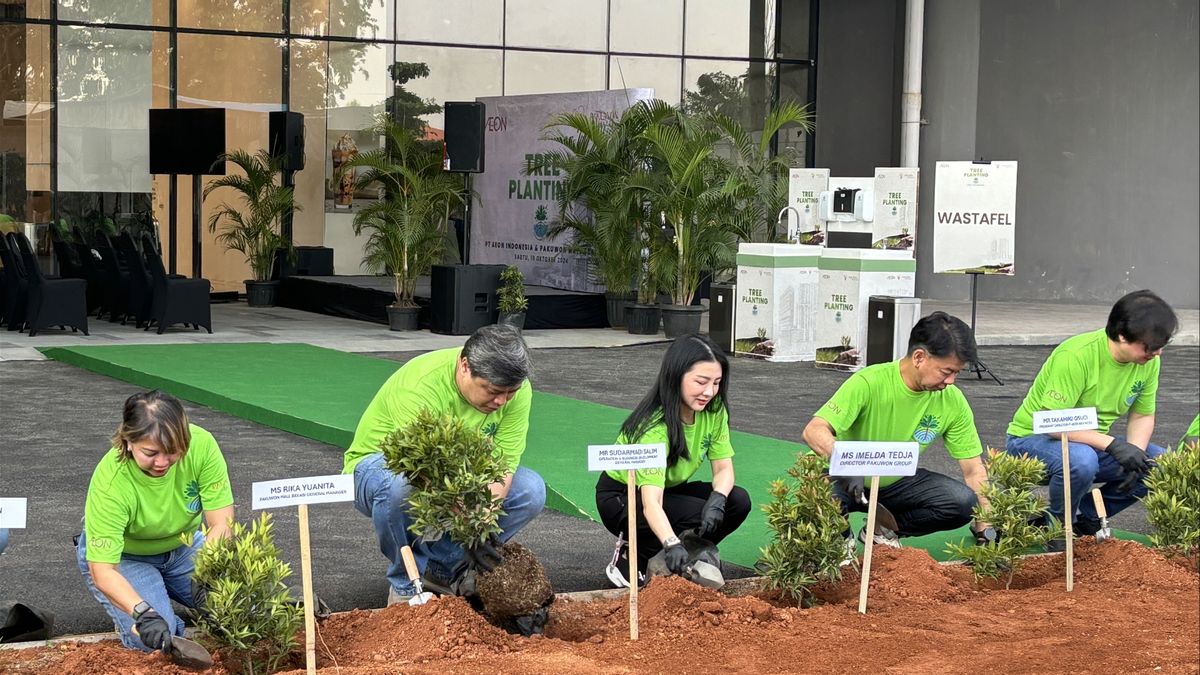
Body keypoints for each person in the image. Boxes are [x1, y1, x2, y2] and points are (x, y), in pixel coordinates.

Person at [345, 324, 545, 605]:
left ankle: (439, 572)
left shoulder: (517, 391)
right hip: (385, 469)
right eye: (492, 391)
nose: (501, 401)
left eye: (510, 393)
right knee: (400, 487)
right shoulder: (420, 387)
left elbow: (503, 467)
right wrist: (469, 527)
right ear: (464, 366)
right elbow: (426, 475)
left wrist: (483, 523)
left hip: (461, 473)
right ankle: (406, 586)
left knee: (530, 491)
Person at [802, 312, 992, 549]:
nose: (952, 381)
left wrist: (987, 527)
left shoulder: (952, 400)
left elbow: (974, 470)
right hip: (843, 478)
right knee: (818, 499)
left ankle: (881, 530)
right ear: (919, 357)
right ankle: (840, 541)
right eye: (946, 372)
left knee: (962, 502)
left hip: (895, 482)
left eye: (957, 373)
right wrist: (847, 463)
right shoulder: (869, 382)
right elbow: (814, 430)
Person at [1006, 290, 1178, 547]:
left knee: (1160, 464)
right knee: (1081, 460)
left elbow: (1142, 414)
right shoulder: (1076, 355)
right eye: (1150, 346)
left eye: (1161, 345)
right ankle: (1056, 527)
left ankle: (1085, 519)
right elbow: (1051, 422)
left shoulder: (1147, 362)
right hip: (1033, 439)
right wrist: (1112, 444)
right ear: (1122, 335)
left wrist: (1135, 453)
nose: (1157, 353)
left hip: (1089, 441)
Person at [77, 390, 234, 653]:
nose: (162, 462)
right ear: (128, 441)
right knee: (156, 639)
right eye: (150, 452)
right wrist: (142, 613)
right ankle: (163, 620)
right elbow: (103, 570)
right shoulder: (111, 484)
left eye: (173, 452)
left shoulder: (203, 446)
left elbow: (222, 523)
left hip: (183, 548)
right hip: (126, 558)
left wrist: (208, 566)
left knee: (243, 609)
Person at [595, 334, 751, 588]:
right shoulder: (654, 428)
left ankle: (687, 556)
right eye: (701, 382)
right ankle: (634, 556)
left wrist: (718, 499)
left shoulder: (714, 409)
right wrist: (671, 542)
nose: (709, 392)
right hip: (624, 497)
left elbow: (724, 469)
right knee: (692, 514)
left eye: (717, 383)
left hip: (668, 489)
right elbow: (651, 502)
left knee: (737, 501)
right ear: (676, 376)